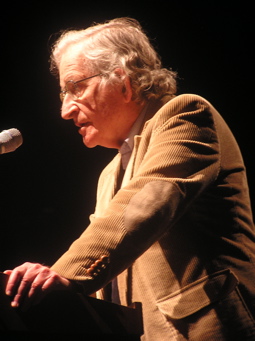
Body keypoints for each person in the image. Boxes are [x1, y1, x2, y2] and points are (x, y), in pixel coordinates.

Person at [4, 17, 255, 340]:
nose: (65, 110)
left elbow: (146, 204)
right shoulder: (109, 173)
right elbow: (109, 275)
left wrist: (59, 275)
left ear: (121, 80)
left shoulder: (186, 114)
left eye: (76, 87)